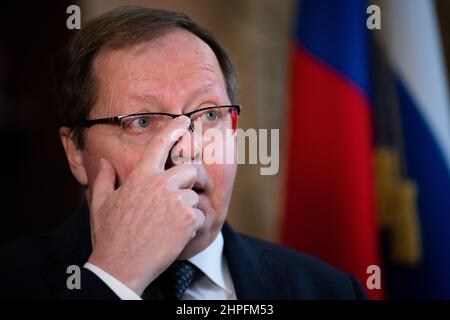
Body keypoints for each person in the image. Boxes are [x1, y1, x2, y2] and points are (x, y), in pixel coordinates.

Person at [0, 6, 366, 300]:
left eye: (209, 115)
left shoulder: (328, 290)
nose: (186, 148)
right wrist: (115, 278)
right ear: (76, 152)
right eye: (141, 122)